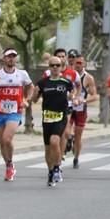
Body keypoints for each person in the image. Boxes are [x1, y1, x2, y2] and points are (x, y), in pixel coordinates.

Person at [0, 48, 34, 182]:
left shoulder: (22, 74)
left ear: (16, 59)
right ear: (4, 59)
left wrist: (26, 100)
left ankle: (10, 163)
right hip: (0, 113)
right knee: (2, 142)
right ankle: (8, 165)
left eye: (13, 56)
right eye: (8, 56)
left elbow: (31, 87)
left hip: (15, 112)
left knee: (6, 139)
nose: (11, 59)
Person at [31, 56, 79, 186]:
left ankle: (57, 167)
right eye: (52, 65)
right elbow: (34, 100)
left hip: (61, 116)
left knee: (54, 141)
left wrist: (73, 98)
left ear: (62, 66)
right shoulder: (43, 82)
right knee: (47, 149)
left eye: (57, 65)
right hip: (47, 117)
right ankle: (50, 171)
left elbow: (73, 92)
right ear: (49, 67)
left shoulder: (65, 82)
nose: (55, 68)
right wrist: (34, 93)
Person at [68, 53, 98, 169]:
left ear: (84, 64)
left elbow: (94, 96)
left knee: (78, 135)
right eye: (76, 63)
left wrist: (83, 100)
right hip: (69, 108)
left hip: (81, 110)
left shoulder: (88, 78)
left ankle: (76, 158)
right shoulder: (68, 75)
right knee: (66, 132)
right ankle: (69, 139)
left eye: (80, 63)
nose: (78, 65)